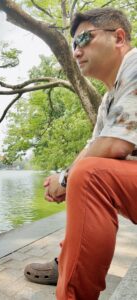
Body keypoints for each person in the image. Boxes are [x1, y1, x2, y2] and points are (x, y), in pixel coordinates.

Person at [24, 7, 137, 300]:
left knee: (90, 176)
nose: (76, 50)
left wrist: (67, 179)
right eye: (73, 43)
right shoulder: (108, 99)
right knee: (85, 172)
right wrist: (63, 178)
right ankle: (68, 260)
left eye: (84, 38)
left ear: (119, 37)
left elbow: (115, 146)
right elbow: (94, 147)